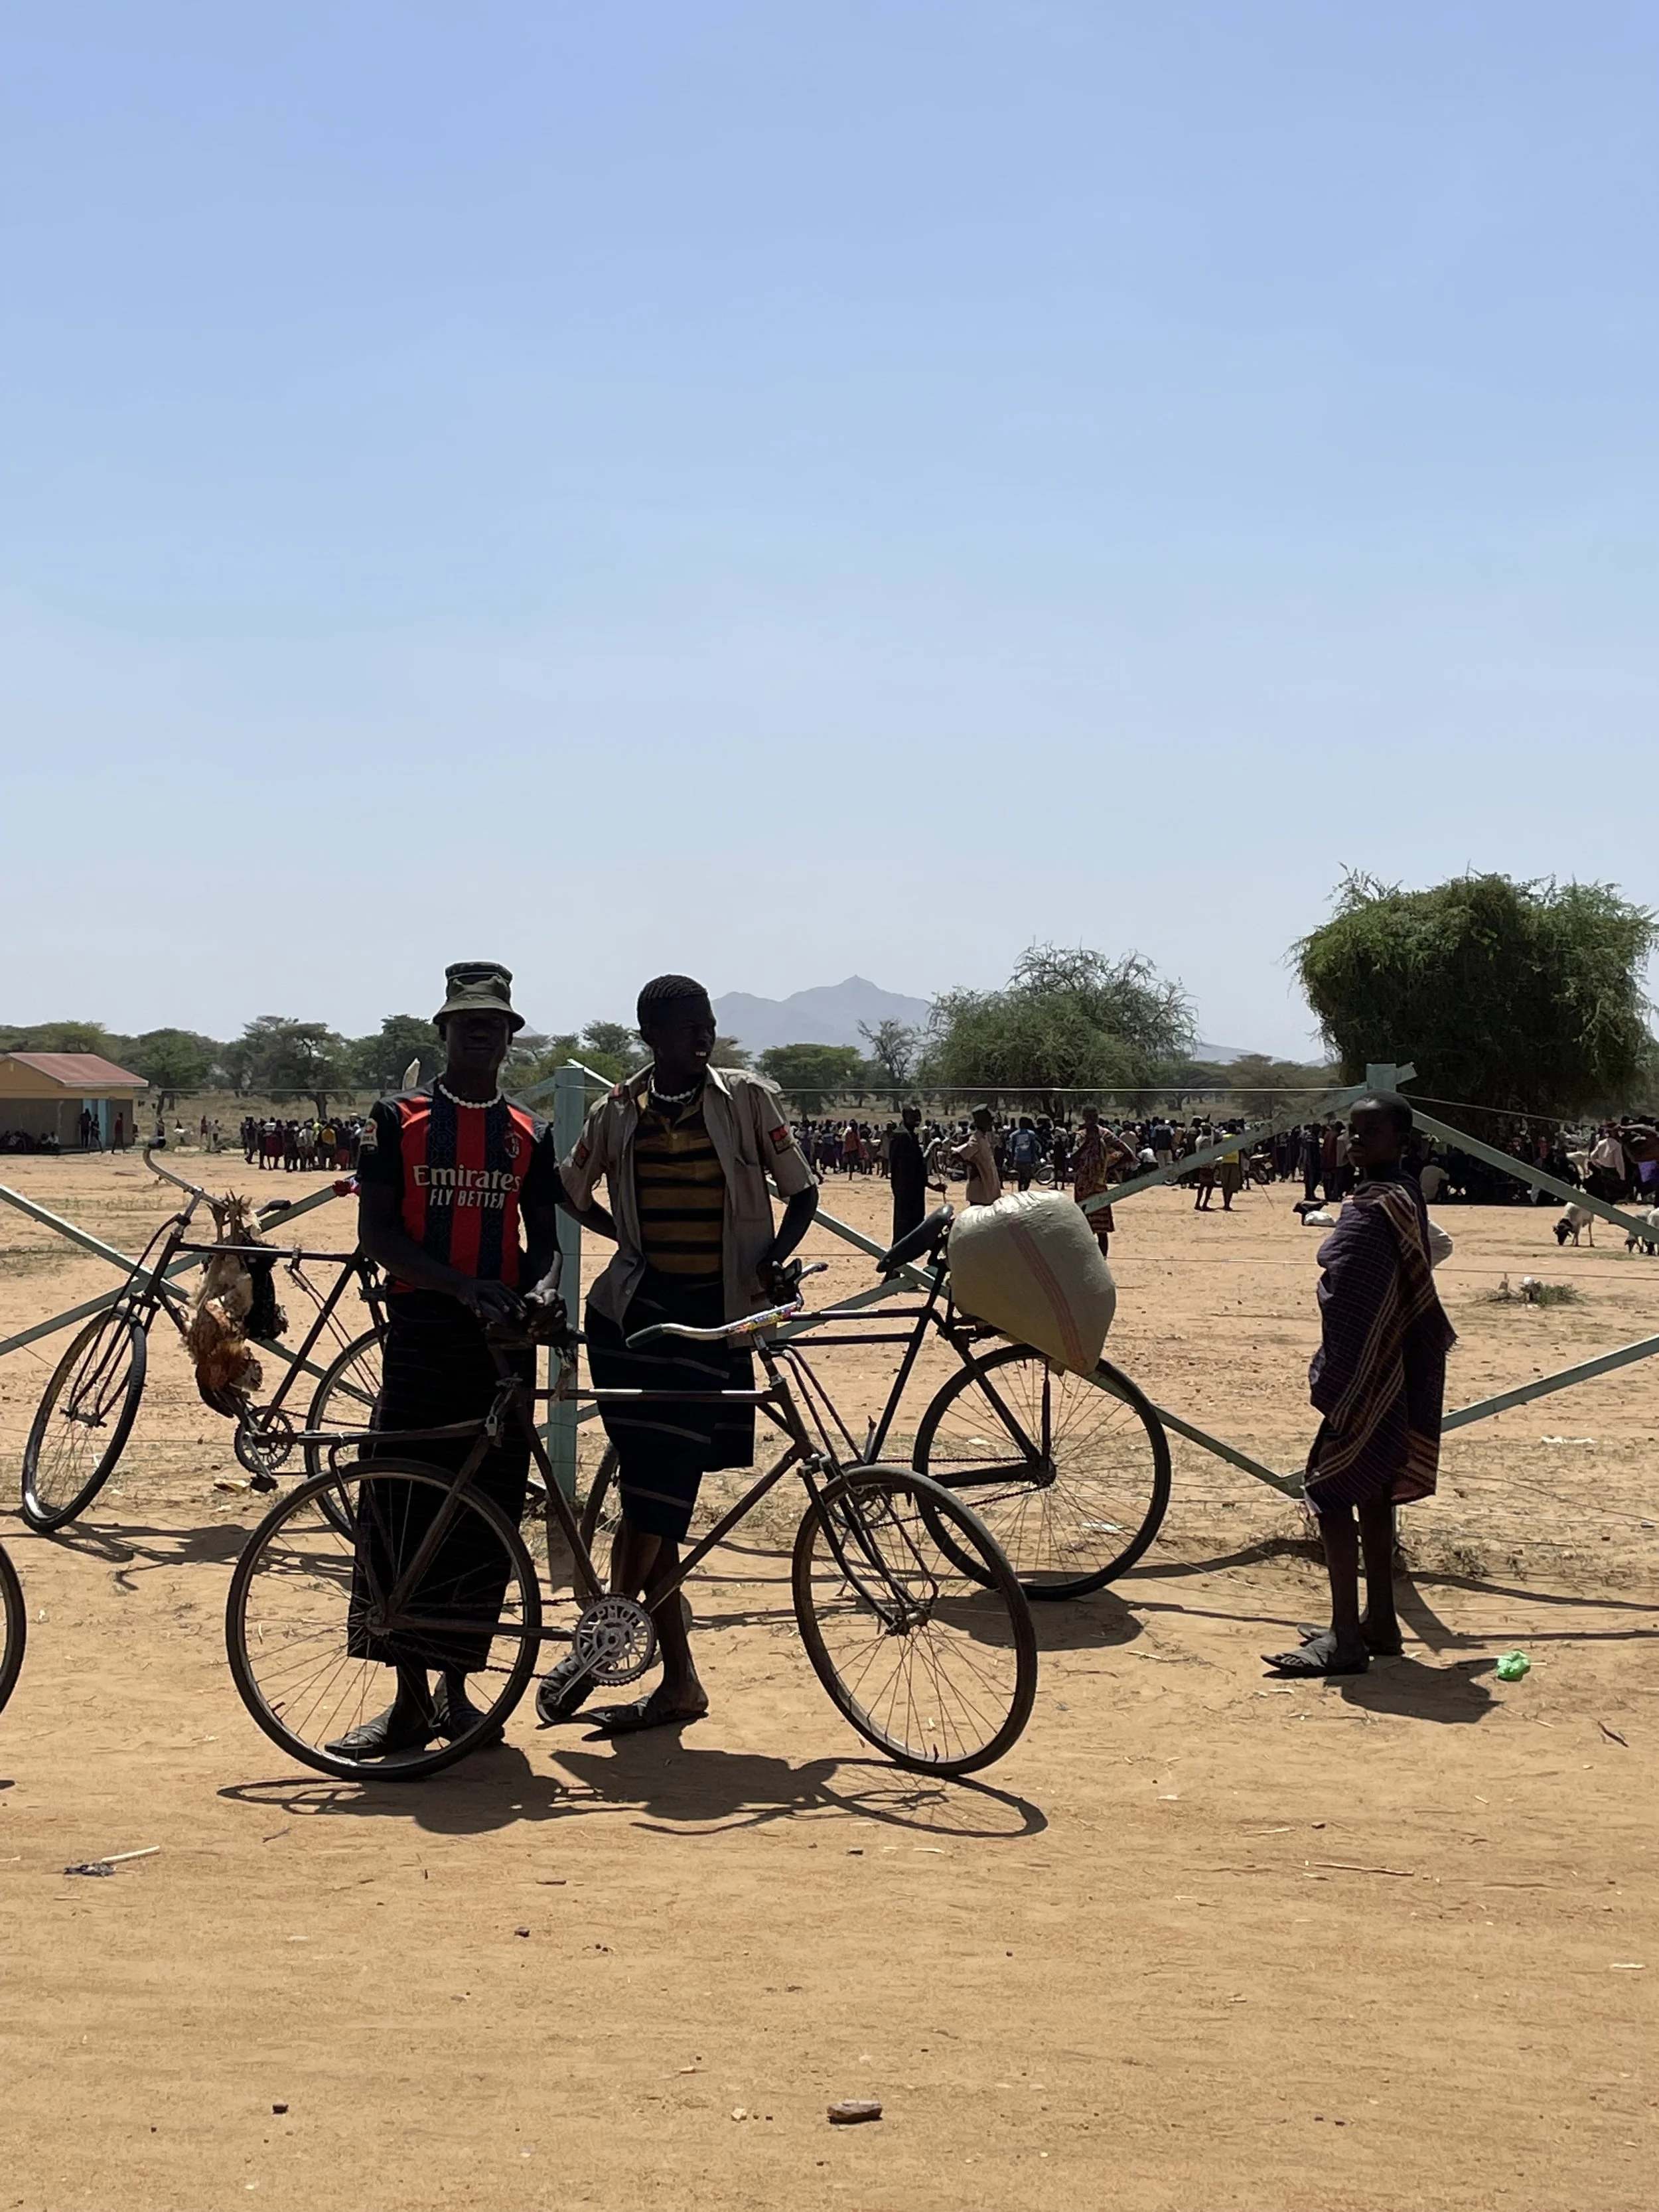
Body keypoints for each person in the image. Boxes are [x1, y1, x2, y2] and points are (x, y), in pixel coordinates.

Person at [540, 974, 818, 1733]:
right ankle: (653, 1667)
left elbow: (802, 1192)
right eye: (686, 1028)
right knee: (654, 1496)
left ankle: (612, 1646)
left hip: (717, 1320)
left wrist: (775, 1261)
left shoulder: (747, 1101)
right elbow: (567, 1186)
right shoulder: (616, 1111)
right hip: (632, 1320)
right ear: (650, 1038)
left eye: (708, 1025)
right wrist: (618, 1238)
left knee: (654, 1499)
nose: (702, 1038)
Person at [328, 960, 566, 1759]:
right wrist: (463, 1287)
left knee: (485, 1514)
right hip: (425, 1336)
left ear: (508, 1036)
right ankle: (402, 1702)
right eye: (468, 1023)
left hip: (500, 1349)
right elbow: (379, 1235)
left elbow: (544, 1245)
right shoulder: (396, 1119)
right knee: (401, 1505)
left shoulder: (529, 1133)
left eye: (495, 1024)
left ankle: (458, 1697)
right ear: (443, 1031)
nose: (482, 1035)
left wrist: (539, 1292)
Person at [1265, 1095, 1456, 1677]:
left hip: (1366, 1370)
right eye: (1352, 1131)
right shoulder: (1399, 1198)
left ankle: (1346, 1637)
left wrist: (1339, 1373)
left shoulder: (1380, 1206)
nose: (1356, 1141)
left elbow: (1351, 1290)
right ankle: (1382, 1621)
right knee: (1372, 1490)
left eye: (1371, 1132)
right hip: (1391, 1364)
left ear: (1401, 1142)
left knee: (1327, 1490)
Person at [1070, 1105, 1133, 1254]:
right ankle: (1086, 1258)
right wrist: (1087, 1143)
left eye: (1094, 1117)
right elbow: (1073, 1159)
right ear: (1085, 1118)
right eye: (1089, 1117)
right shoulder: (1081, 1136)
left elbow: (1128, 1154)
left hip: (1098, 1186)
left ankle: (1103, 1260)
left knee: (1101, 1229)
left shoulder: (1105, 1135)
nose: (1092, 1120)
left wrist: (1108, 1169)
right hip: (1083, 1187)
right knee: (1084, 1228)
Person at [887, 1102, 928, 1244]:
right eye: (913, 1115)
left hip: (912, 1189)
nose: (917, 1118)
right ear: (905, 1116)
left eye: (918, 1115)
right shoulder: (903, 1136)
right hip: (907, 1190)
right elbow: (907, 1167)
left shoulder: (909, 1134)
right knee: (905, 1226)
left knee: (913, 1225)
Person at [950, 1106, 1003, 1206]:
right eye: (989, 1121)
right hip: (980, 1191)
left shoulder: (984, 1137)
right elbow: (957, 1154)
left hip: (989, 1188)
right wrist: (973, 1166)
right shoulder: (976, 1140)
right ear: (982, 1122)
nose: (991, 1123)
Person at [1007, 1116, 1042, 1192]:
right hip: (1026, 1160)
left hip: (1020, 1160)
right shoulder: (1031, 1134)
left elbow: (1012, 1149)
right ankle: (1023, 1192)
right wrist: (1034, 1160)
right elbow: (1033, 1148)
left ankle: (1022, 1192)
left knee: (1021, 1179)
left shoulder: (1015, 1135)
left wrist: (1012, 1160)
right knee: (1026, 1179)